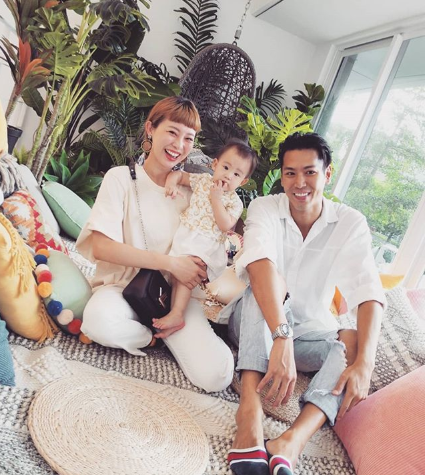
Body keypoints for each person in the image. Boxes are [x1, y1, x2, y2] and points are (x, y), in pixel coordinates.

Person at [225, 132, 386, 475]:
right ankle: (249, 412)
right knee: (261, 283)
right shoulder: (265, 207)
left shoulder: (350, 223)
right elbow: (258, 264)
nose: (299, 183)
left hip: (308, 334)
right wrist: (281, 335)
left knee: (352, 342)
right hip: (254, 324)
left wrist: (366, 364)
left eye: (310, 172)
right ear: (281, 176)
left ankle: (292, 440)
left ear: (327, 174)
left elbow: (368, 290)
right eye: (290, 173)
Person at [76, 96, 234, 393]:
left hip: (175, 301)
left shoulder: (198, 194)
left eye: (189, 138)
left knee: (218, 376)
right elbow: (101, 247)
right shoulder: (121, 179)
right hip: (122, 290)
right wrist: (170, 263)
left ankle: (173, 333)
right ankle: (149, 338)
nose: (179, 145)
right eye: (172, 132)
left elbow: (209, 248)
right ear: (150, 129)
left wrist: (200, 268)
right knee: (97, 321)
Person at [152, 139, 258, 337]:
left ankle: (177, 314)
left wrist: (216, 199)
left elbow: (225, 225)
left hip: (206, 245)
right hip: (186, 236)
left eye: (236, 174)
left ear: (243, 181)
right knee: (177, 276)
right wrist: (171, 183)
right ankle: (173, 310)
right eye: (226, 167)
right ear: (215, 164)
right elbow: (179, 175)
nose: (228, 175)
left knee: (187, 272)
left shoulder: (234, 202)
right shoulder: (202, 180)